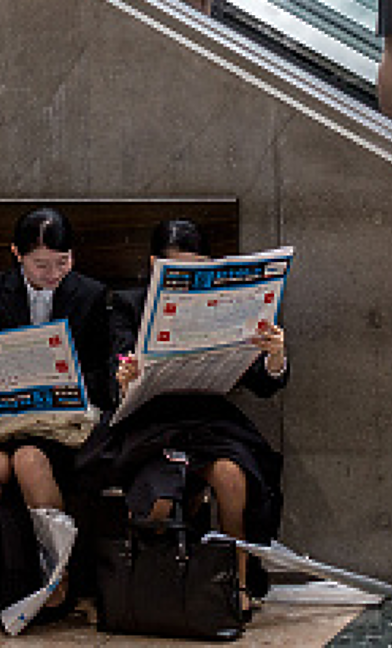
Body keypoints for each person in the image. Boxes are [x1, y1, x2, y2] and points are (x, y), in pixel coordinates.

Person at [82, 218, 288, 621]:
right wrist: (125, 376)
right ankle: (157, 586)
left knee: (233, 478)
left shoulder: (225, 303)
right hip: (151, 423)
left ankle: (237, 581)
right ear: (156, 265)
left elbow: (264, 384)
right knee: (156, 501)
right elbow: (113, 372)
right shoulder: (129, 303)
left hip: (207, 420)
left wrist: (274, 355)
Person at [0, 206, 111, 620]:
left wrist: (68, 379)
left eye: (63, 262)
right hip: (9, 421)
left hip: (61, 426)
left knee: (28, 462)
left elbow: (103, 375)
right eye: (41, 264)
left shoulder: (90, 294)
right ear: (17, 254)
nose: (53, 273)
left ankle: (57, 578)